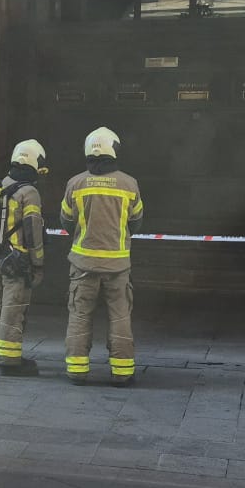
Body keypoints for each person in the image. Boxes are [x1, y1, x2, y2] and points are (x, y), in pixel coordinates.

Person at [60, 127, 143, 386]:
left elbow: (66, 220)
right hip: (117, 265)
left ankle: (76, 371)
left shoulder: (75, 183)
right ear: (114, 149)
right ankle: (122, 372)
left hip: (82, 263)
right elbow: (137, 221)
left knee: (79, 315)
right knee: (120, 316)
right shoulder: (129, 184)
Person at [0, 139, 48, 376]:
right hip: (18, 259)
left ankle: (2, 352)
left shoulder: (3, 184)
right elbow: (33, 229)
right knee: (14, 310)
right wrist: (38, 262)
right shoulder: (29, 192)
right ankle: (10, 361)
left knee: (0, 306)